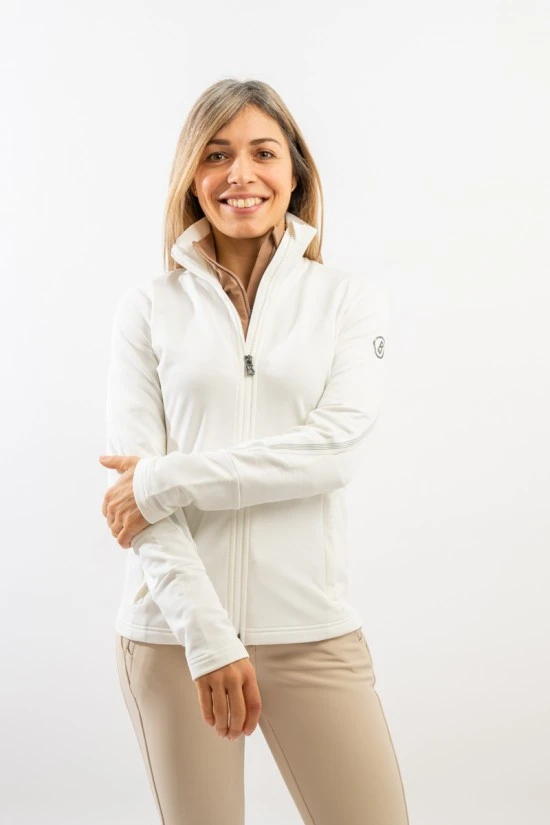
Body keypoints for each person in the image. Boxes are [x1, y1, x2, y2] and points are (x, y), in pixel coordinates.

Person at [100, 77, 410, 825]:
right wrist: (208, 639)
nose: (240, 173)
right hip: (175, 637)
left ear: (294, 171)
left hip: (310, 630)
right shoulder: (148, 308)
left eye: (263, 153)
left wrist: (167, 480)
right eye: (216, 155)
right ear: (192, 177)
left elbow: (331, 452)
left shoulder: (347, 300)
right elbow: (134, 502)